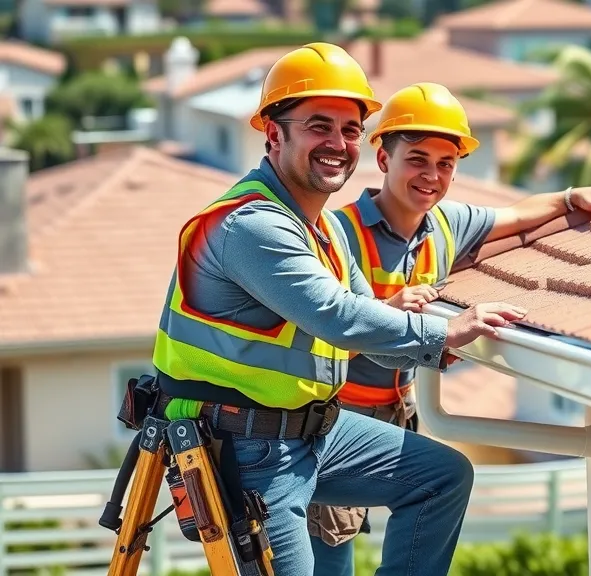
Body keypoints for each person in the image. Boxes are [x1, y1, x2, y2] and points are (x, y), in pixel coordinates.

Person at [147, 43, 527, 576]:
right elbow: (336, 315)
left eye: (350, 130)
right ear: (274, 134)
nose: (338, 143)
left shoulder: (320, 227)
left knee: (442, 476)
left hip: (312, 431)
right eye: (319, 126)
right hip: (247, 446)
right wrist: (443, 335)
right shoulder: (253, 225)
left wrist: (430, 340)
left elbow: (361, 309)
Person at [305, 82, 591, 576]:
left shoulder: (446, 224)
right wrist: (386, 313)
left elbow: (517, 214)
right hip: (332, 420)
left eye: (446, 163)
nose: (432, 175)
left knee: (429, 503)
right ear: (384, 158)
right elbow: (315, 339)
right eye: (417, 159)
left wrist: (569, 198)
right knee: (329, 557)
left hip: (397, 415)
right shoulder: (338, 234)